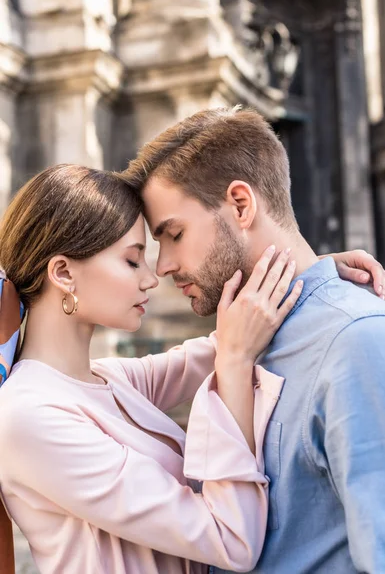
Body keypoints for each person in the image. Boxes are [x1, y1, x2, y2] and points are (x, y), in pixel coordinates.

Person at [123, 105, 385, 573]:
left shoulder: (360, 343)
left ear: (241, 205)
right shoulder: (242, 336)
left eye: (174, 235)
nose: (163, 266)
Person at [0, 163, 305, 574]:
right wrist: (234, 365)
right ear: (63, 273)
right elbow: (231, 540)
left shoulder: (108, 380)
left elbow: (232, 336)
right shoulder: (30, 415)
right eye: (132, 261)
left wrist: (310, 274)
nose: (152, 278)